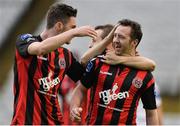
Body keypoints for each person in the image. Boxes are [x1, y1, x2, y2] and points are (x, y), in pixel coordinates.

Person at [11, 3, 97, 125]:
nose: (75, 32)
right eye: (72, 27)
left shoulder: (65, 55)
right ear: (59, 26)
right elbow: (41, 49)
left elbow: (85, 79)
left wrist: (102, 44)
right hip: (26, 122)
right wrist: (74, 33)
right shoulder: (25, 40)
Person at [70, 19, 159, 125]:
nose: (116, 40)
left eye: (121, 37)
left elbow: (151, 113)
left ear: (134, 42)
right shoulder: (98, 62)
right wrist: (74, 107)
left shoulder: (145, 75)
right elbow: (80, 89)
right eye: (115, 36)